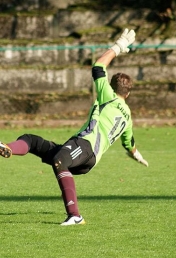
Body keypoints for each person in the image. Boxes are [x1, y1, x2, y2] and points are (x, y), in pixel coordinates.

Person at [0, 28, 148, 226]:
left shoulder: (109, 96)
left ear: (111, 87)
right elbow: (129, 144)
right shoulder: (128, 116)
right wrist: (137, 155)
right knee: (32, 140)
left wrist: (118, 46)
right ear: (128, 94)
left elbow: (98, 67)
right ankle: (8, 148)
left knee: (60, 160)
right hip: (90, 158)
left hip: (85, 146)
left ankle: (75, 216)